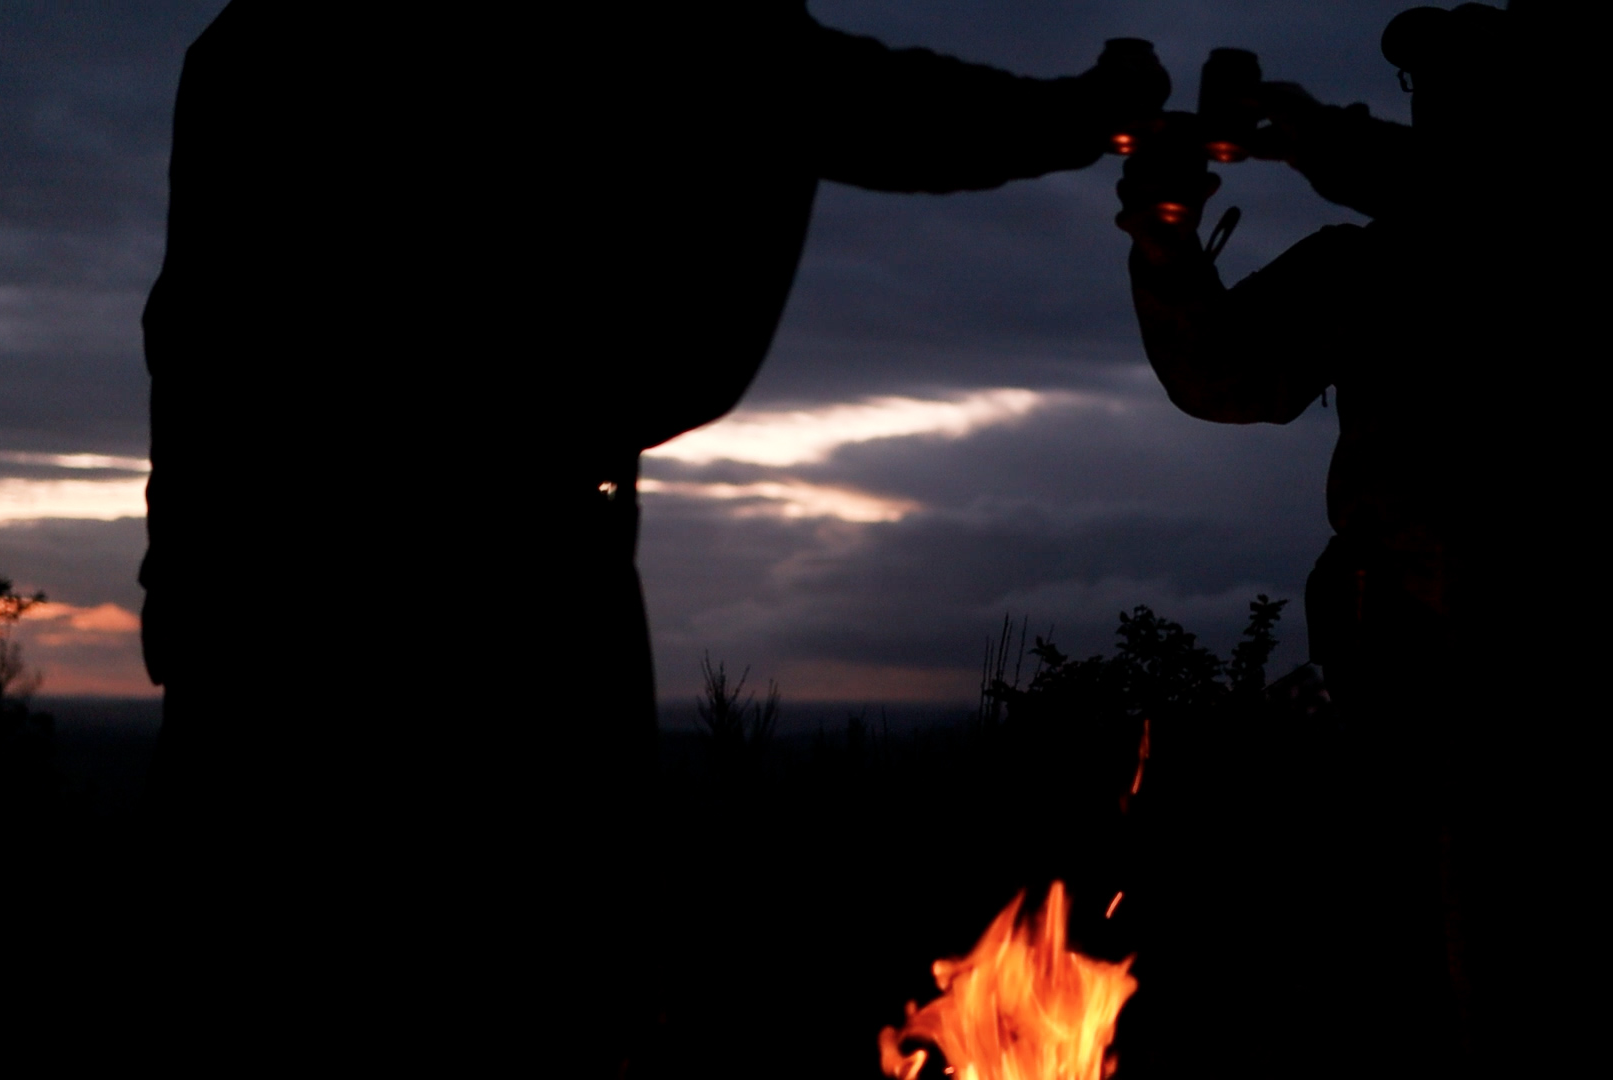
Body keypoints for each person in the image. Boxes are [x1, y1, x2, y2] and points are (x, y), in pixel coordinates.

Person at [140, 3, 1167, 1071]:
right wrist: (1089, 111)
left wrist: (183, 606)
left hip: (267, 617)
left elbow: (189, 338)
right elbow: (854, 99)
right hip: (491, 594)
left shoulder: (253, 47)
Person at [1118, 4, 1613, 1073]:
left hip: (1612, 679)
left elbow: (1496, 211)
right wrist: (1163, 229)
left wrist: (1304, 128)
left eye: (1470, 92)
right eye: (1429, 91)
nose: (1442, 112)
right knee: (1412, 982)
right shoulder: (1372, 263)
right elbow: (1225, 377)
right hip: (1407, 672)